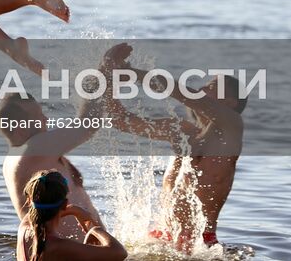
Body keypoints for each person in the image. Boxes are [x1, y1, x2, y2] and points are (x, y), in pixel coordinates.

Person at [99, 43, 245, 250]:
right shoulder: (181, 132)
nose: (203, 89)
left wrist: (131, 73)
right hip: (161, 235)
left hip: (199, 243)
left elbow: (185, 93)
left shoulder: (232, 126)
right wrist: (108, 78)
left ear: (230, 103)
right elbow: (120, 120)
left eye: (211, 87)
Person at [0, 93, 126, 260]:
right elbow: (87, 124)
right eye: (38, 116)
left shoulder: (30, 159)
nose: (46, 119)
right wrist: (99, 82)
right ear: (20, 128)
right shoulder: (31, 151)